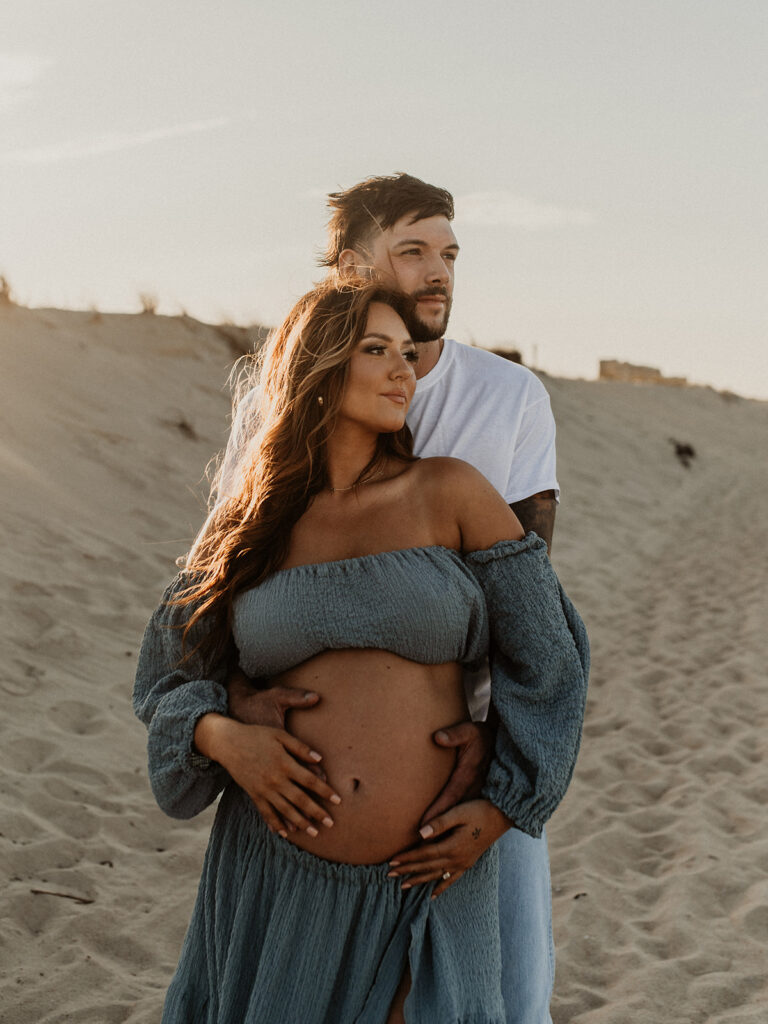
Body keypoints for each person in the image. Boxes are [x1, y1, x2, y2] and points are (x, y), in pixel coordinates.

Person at [134, 278, 588, 1023]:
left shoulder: (452, 493)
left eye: (409, 353)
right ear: (317, 365)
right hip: (272, 877)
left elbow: (550, 661)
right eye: (375, 350)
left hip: (429, 877)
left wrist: (505, 807)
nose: (403, 369)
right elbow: (166, 676)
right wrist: (227, 738)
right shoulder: (251, 522)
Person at [220, 174, 562, 1023]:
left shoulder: (507, 398)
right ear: (350, 268)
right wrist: (230, 711)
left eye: (449, 253)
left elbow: (534, 613)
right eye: (412, 251)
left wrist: (501, 759)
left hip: (469, 779)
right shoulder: (279, 408)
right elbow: (215, 601)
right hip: (294, 831)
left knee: (509, 1002)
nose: (439, 273)